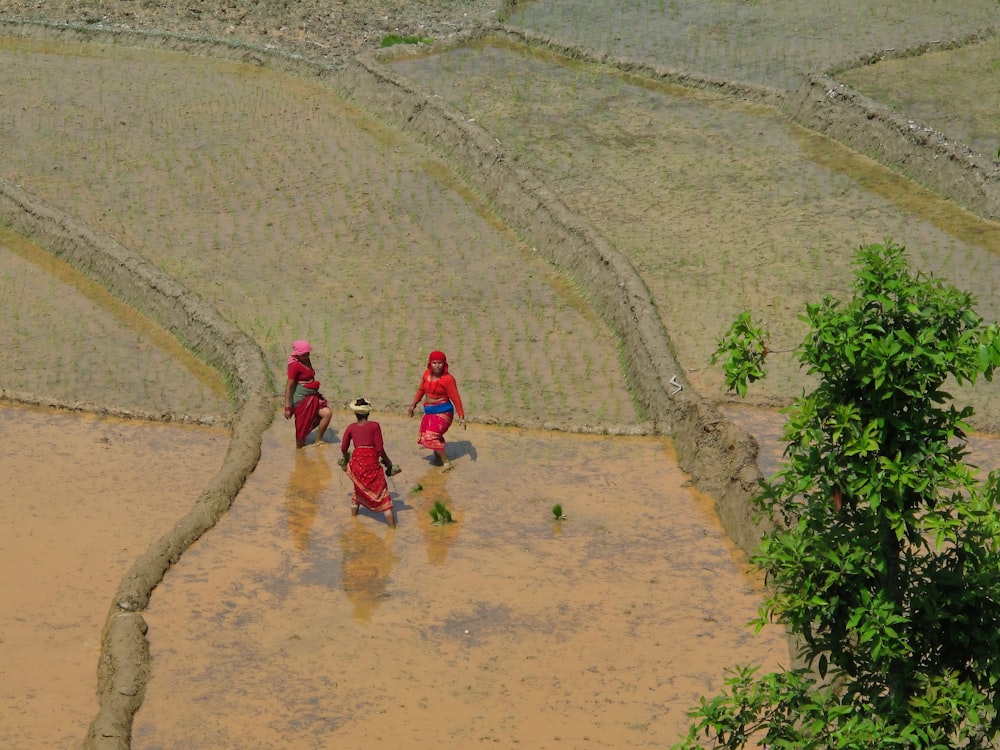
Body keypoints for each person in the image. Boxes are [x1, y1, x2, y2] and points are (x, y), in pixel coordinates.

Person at [339, 398, 401, 528]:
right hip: (371, 463)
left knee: (357, 491)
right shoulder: (375, 426)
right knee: (383, 496)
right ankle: (392, 530)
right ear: (368, 413)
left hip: (357, 465)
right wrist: (389, 463)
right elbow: (379, 449)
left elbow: (344, 448)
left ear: (355, 413)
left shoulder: (351, 427)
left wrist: (346, 458)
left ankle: (354, 524)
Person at [407, 350, 465, 472]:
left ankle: (446, 463)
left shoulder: (448, 379)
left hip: (443, 412)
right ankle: (438, 457)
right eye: (434, 363)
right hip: (429, 412)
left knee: (430, 436)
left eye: (440, 363)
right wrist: (413, 404)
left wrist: (461, 416)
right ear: (430, 364)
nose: (437, 366)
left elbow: (456, 397)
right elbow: (421, 390)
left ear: (444, 364)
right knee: (430, 435)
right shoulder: (426, 375)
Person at [283, 339, 333, 448]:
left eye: (308, 354)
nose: (307, 356)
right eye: (304, 355)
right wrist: (287, 407)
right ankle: (299, 451)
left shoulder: (306, 360)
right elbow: (289, 387)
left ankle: (318, 439)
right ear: (298, 355)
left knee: (327, 414)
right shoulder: (294, 366)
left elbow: (311, 376)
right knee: (301, 436)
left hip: (312, 395)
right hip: (302, 399)